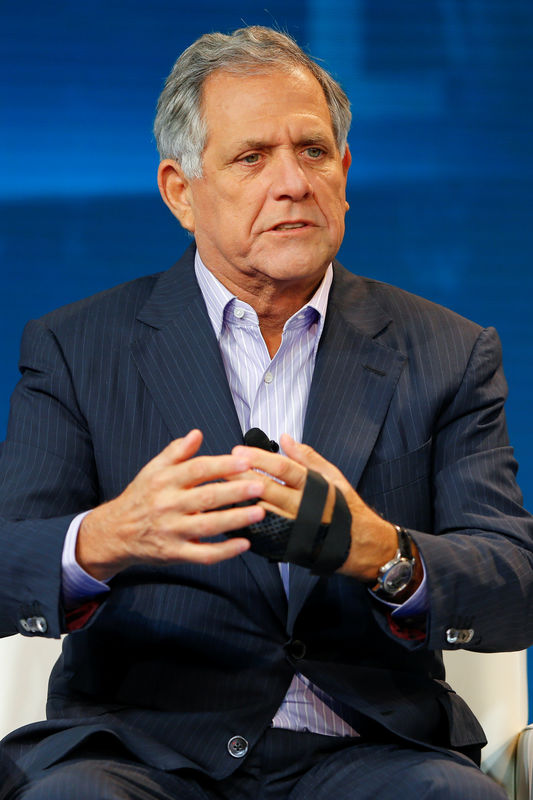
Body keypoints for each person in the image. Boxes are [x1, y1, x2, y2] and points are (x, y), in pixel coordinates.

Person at [0, 24, 531, 800]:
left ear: (344, 173)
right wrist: (109, 536)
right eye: (252, 158)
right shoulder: (77, 347)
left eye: (313, 152)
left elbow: (514, 582)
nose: (292, 182)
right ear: (180, 191)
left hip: (369, 751)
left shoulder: (447, 351)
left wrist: (385, 554)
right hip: (142, 749)